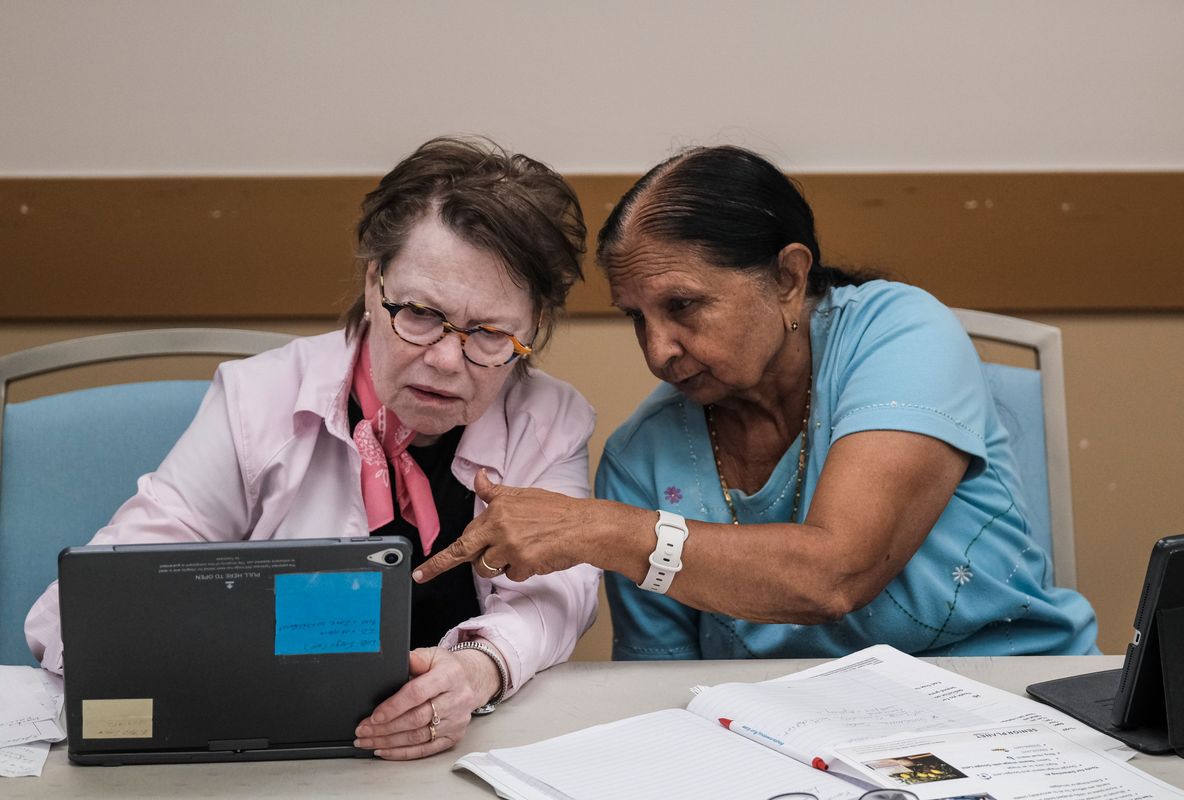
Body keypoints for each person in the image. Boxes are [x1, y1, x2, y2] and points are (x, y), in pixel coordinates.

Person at [25, 136, 600, 759]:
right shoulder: (257, 399)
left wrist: (478, 668)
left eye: (489, 333)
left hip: (464, 748)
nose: (444, 359)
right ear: (373, 279)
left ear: (533, 327)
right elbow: (94, 602)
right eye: (420, 314)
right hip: (273, 749)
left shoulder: (550, 419)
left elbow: (559, 595)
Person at [415, 144, 1099, 660]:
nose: (658, 351)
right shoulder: (639, 457)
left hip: (1009, 704)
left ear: (788, 277)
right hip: (791, 755)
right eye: (637, 318)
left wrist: (606, 529)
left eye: (684, 306)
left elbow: (836, 575)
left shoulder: (901, 333)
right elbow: (661, 693)